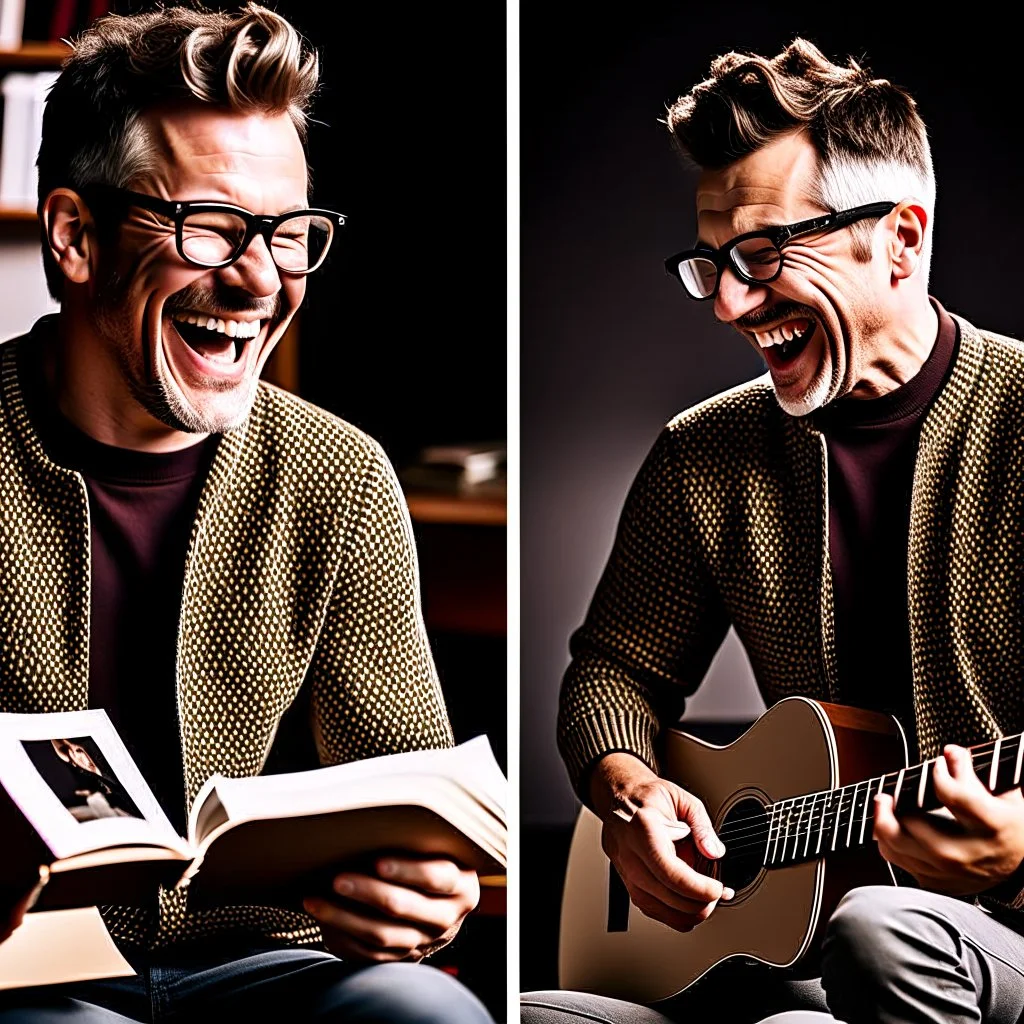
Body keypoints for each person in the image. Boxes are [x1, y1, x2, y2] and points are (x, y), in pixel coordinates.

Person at [0, 5, 494, 1021]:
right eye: (213, 226)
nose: (262, 277)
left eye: (290, 234)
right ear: (75, 235)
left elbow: (418, 807)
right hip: (25, 971)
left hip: (270, 965)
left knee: (432, 1012)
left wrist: (429, 896)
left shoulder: (341, 476)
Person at [521, 37, 1024, 1024]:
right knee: (538, 1012)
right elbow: (611, 673)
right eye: (709, 263)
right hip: (776, 946)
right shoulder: (703, 452)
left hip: (980, 940)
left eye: (762, 255)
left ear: (901, 239)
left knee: (882, 935)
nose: (728, 303)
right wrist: (627, 791)